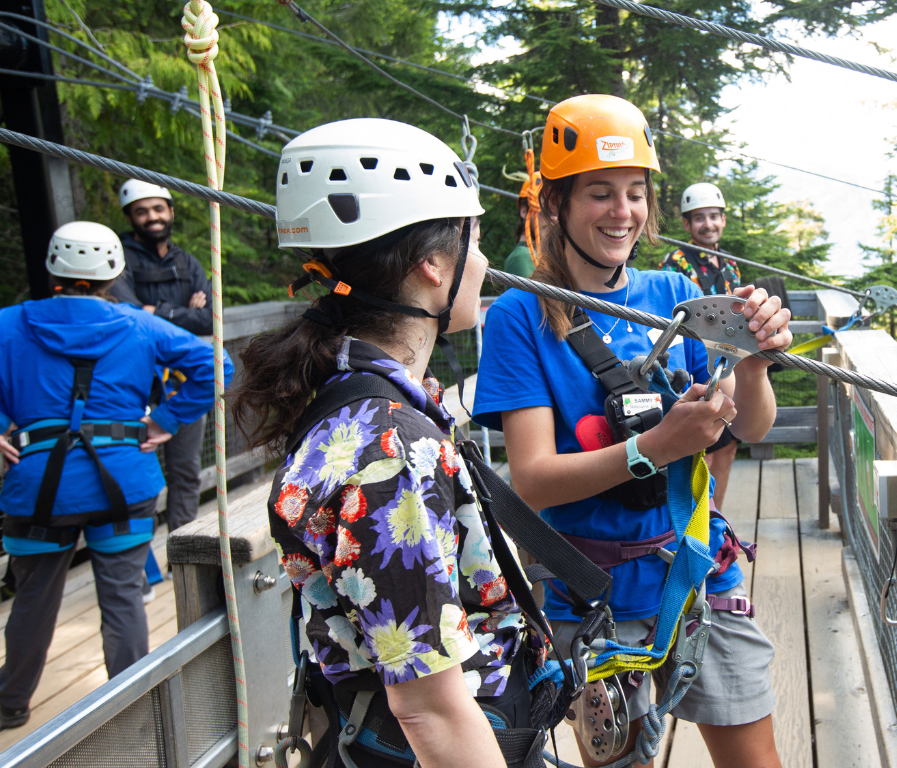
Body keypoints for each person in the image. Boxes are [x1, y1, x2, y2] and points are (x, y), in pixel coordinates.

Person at [473, 94, 793, 768]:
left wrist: (758, 364)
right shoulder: (519, 318)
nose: (622, 212)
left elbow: (752, 425)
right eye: (599, 193)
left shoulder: (670, 295)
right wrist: (656, 449)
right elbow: (532, 480)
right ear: (555, 204)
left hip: (693, 569)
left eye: (635, 193)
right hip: (592, 593)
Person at [233, 118, 537, 768]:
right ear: (432, 264)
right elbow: (429, 706)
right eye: (474, 239)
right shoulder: (392, 444)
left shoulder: (347, 393)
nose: (484, 263)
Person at [0, 221, 221, 730]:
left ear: (53, 269)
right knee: (123, 595)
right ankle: (132, 703)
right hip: (123, 480)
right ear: (114, 273)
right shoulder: (140, 326)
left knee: (33, 597)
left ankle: (12, 702)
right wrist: (164, 422)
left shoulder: (10, 325)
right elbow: (217, 364)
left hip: (37, 490)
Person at [108, 180, 212, 546]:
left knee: (186, 469)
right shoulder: (118, 260)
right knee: (131, 466)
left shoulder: (187, 261)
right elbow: (130, 315)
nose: (151, 217)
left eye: (157, 209)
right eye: (141, 211)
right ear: (130, 217)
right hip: (136, 381)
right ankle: (135, 554)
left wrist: (157, 312)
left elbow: (211, 318)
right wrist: (185, 313)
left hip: (184, 383)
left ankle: (181, 545)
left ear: (170, 211)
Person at [659, 182, 745, 509]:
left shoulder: (728, 264)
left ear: (723, 220)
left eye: (713, 217)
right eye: (699, 218)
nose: (708, 224)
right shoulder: (677, 263)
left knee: (728, 444)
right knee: (703, 447)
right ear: (687, 224)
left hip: (729, 358)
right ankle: (699, 522)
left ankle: (716, 518)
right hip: (699, 361)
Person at [501, 169, 541, 278]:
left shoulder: (541, 255)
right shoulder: (522, 257)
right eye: (543, 208)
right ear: (524, 211)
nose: (554, 217)